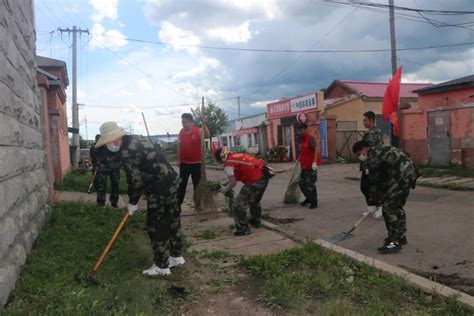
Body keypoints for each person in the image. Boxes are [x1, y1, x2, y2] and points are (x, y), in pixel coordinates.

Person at [95, 122, 183, 276]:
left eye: (108, 143)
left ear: (114, 139)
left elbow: (135, 181)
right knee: (172, 221)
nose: (108, 146)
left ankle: (162, 266)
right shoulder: (135, 139)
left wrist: (133, 202)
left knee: (156, 225)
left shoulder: (127, 151)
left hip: (159, 188)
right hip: (171, 181)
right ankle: (176, 257)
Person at [352, 141, 419, 254]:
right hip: (410, 172)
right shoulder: (380, 148)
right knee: (396, 206)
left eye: (359, 154)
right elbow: (384, 178)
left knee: (388, 208)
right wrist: (379, 198)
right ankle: (400, 236)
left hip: (400, 175)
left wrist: (373, 203)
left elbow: (375, 181)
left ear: (364, 149)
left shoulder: (373, 156)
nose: (360, 157)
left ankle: (394, 242)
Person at [214, 147, 273, 236]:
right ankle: (255, 220)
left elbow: (233, 182)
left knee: (238, 205)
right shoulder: (235, 156)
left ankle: (243, 229)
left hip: (255, 180)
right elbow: (235, 176)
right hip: (264, 176)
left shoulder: (228, 164)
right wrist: (225, 183)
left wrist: (225, 189)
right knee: (254, 200)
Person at [176, 113, 210, 209]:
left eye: (184, 122)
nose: (183, 124)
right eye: (182, 122)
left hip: (196, 164)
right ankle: (178, 205)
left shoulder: (198, 131)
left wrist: (204, 123)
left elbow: (207, 135)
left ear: (191, 122)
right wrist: (178, 159)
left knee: (197, 185)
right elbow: (178, 146)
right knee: (181, 185)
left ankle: (198, 204)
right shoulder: (181, 132)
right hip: (184, 164)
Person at [360, 111, 384, 218]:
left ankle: (380, 207)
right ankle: (372, 206)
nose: (363, 122)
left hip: (373, 164)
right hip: (368, 164)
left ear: (371, 120)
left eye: (365, 120)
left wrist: (363, 154)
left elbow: (367, 146)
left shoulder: (373, 133)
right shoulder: (372, 132)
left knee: (373, 187)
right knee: (366, 186)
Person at [90, 134, 121, 208]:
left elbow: (118, 154)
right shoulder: (95, 146)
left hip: (114, 168)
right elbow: (94, 157)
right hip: (102, 168)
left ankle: (114, 202)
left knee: (115, 184)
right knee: (101, 185)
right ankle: (101, 202)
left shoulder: (112, 144)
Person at [297, 123, 318, 209]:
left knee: (310, 184)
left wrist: (314, 162)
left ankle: (314, 201)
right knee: (302, 184)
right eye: (299, 131)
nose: (300, 132)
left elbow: (316, 150)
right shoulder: (302, 139)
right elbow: (303, 152)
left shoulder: (311, 138)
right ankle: (309, 198)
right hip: (304, 166)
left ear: (305, 129)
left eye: (301, 130)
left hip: (311, 166)